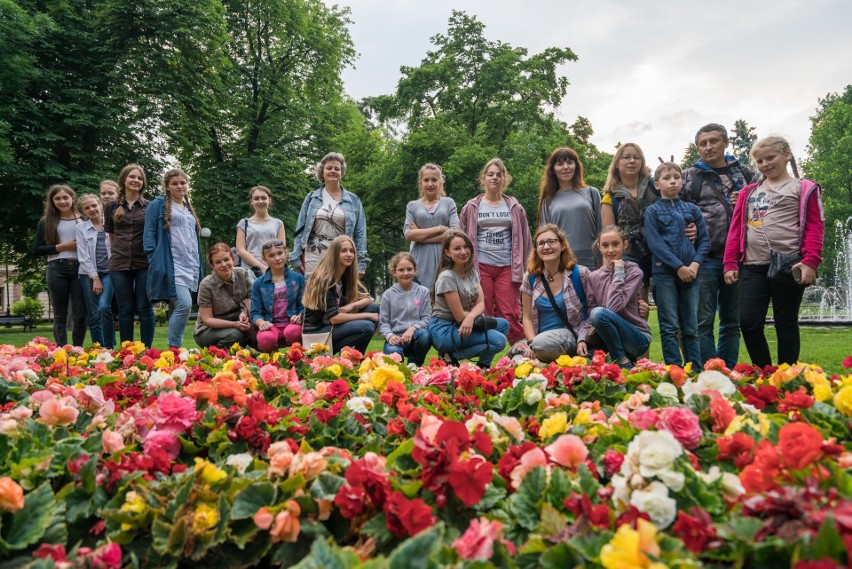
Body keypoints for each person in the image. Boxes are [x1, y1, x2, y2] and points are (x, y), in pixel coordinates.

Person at [724, 136, 824, 367]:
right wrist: (730, 262)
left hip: (790, 265)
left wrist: (810, 261)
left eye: (770, 157)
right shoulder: (749, 192)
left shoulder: (804, 188)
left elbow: (814, 226)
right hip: (753, 266)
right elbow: (736, 229)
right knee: (748, 321)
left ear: (786, 154)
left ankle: (786, 374)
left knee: (785, 323)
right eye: (759, 161)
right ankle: (765, 371)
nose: (765, 164)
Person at [682, 123, 756, 368]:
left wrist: (744, 202)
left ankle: (727, 371)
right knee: (702, 322)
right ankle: (710, 372)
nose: (708, 147)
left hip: (737, 258)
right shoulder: (689, 176)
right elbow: (674, 209)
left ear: (725, 143)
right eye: (703, 143)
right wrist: (687, 225)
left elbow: (763, 210)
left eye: (713, 141)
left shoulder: (744, 174)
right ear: (697, 148)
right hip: (704, 258)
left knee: (731, 322)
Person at [459, 158, 531, 343]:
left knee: (510, 312)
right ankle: (486, 357)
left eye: (499, 175)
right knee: (484, 311)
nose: (495, 178)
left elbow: (526, 239)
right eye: (490, 174)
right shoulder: (472, 207)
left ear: (505, 179)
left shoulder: (515, 207)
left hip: (507, 267)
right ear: (483, 178)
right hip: (479, 267)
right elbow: (460, 237)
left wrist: (529, 266)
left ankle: (519, 353)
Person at [645, 162, 709, 368]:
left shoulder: (692, 209)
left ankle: (695, 369)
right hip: (664, 275)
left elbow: (704, 241)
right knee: (669, 326)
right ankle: (675, 370)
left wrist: (695, 265)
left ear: (682, 181)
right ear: (657, 185)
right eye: (666, 178)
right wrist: (678, 267)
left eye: (676, 177)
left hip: (691, 274)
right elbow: (655, 243)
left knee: (691, 326)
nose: (672, 181)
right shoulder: (653, 211)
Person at [429, 230, 509, 368]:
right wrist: (471, 317)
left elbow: (481, 303)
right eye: (457, 248)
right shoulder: (447, 277)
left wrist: (471, 317)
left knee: (503, 325)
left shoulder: (471, 272)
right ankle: (449, 356)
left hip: (463, 323)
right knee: (498, 341)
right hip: (444, 329)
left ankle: (483, 367)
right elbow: (459, 316)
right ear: (447, 252)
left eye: (466, 246)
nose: (463, 251)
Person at [143, 168, 204, 349]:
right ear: (167, 187)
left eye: (183, 182)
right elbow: (150, 232)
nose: (180, 186)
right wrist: (153, 257)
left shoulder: (187, 207)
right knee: (184, 304)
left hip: (189, 263)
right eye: (175, 183)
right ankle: (174, 346)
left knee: (184, 305)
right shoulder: (158, 205)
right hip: (171, 264)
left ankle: (174, 349)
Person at [512, 224, 591, 363]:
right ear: (536, 249)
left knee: (542, 344)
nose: (546, 247)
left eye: (551, 241)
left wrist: (583, 338)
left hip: (571, 336)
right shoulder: (530, 278)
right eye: (541, 243)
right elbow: (527, 319)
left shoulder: (579, 274)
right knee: (517, 363)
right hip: (537, 340)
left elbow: (593, 309)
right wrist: (531, 343)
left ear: (562, 246)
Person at [582, 225, 652, 368]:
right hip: (609, 339)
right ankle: (623, 362)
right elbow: (591, 313)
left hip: (637, 337)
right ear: (599, 248)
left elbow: (613, 308)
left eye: (615, 244)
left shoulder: (634, 272)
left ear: (624, 245)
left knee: (599, 313)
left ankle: (622, 361)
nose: (610, 250)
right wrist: (581, 338)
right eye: (605, 245)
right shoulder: (594, 277)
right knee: (586, 361)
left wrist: (619, 271)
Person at [291, 152, 367, 278]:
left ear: (341, 173)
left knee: (339, 293)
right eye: (329, 168)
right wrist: (295, 257)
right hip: (314, 255)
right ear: (322, 172)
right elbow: (300, 230)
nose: (333, 171)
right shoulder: (311, 198)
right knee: (313, 294)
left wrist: (361, 263)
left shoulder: (354, 200)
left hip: (341, 256)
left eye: (337, 168)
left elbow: (360, 233)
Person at [105, 164, 155, 347]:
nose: (136, 180)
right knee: (125, 309)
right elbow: (111, 235)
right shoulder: (111, 206)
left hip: (144, 262)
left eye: (139, 178)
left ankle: (147, 350)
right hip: (119, 263)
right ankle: (127, 351)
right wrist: (119, 253)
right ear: (124, 180)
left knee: (144, 307)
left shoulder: (150, 206)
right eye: (132, 177)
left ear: (143, 183)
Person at [302, 235, 378, 354]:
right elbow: (334, 318)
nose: (349, 254)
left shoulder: (345, 275)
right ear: (334, 253)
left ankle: (354, 358)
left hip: (331, 327)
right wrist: (368, 316)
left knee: (375, 308)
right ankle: (354, 357)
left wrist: (351, 306)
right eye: (344, 251)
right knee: (366, 326)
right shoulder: (325, 278)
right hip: (317, 333)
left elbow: (368, 298)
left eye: (351, 251)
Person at [601, 143, 657, 301]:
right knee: (637, 303)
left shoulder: (655, 187)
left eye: (636, 157)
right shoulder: (609, 197)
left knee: (669, 303)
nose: (632, 161)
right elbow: (609, 236)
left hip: (659, 250)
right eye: (626, 157)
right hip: (629, 255)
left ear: (642, 162)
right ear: (617, 164)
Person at [33, 184, 86, 346]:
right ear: (52, 201)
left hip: (80, 268)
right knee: (59, 315)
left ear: (73, 198)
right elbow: (37, 249)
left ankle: (77, 351)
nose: (62, 201)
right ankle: (61, 350)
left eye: (65, 197)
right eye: (57, 198)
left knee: (80, 314)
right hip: (57, 268)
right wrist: (63, 246)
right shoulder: (46, 221)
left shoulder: (83, 219)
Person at [537, 147, 602, 269]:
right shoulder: (547, 200)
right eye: (560, 164)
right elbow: (544, 236)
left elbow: (601, 230)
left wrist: (601, 260)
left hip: (591, 259)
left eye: (570, 162)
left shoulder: (592, 193)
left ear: (576, 166)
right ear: (553, 170)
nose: (565, 167)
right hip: (561, 260)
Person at [404, 163, 459, 291]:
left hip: (444, 261)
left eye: (434, 180)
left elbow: (455, 232)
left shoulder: (449, 203)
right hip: (419, 261)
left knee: (443, 299)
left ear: (441, 182)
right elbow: (408, 234)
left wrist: (420, 235)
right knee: (419, 301)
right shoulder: (412, 206)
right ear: (420, 183)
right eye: (426, 180)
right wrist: (440, 228)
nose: (430, 184)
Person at [195, 243, 255, 349]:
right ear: (212, 266)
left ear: (233, 259)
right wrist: (235, 324)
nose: (223, 264)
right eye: (218, 262)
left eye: (226, 259)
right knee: (235, 335)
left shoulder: (243, 274)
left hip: (240, 323)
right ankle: (219, 358)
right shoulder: (206, 284)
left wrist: (244, 313)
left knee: (261, 330)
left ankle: (249, 356)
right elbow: (207, 319)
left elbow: (252, 299)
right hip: (208, 330)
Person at [250, 240, 306, 353]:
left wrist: (300, 315)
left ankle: (296, 357)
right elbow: (255, 313)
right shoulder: (258, 284)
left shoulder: (298, 279)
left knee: (294, 332)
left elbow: (304, 306)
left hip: (292, 323)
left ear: (285, 253)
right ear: (265, 259)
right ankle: (271, 362)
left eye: (280, 253)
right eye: (271, 255)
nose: (277, 258)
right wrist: (261, 323)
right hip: (270, 325)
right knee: (265, 339)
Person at [379, 252, 432, 366]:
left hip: (416, 336)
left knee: (425, 336)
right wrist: (390, 336)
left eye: (409, 269)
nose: (406, 273)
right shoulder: (388, 295)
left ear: (415, 270)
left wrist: (412, 329)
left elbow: (427, 318)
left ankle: (415, 364)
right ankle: (399, 371)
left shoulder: (423, 292)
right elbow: (383, 323)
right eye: (401, 270)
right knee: (393, 354)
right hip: (396, 339)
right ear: (394, 272)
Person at [76, 194, 115, 349]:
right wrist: (95, 278)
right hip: (88, 275)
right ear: (83, 213)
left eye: (94, 205)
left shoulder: (111, 224)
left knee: (104, 307)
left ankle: (110, 347)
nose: (92, 209)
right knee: (93, 314)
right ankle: (98, 349)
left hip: (110, 272)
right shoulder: (81, 228)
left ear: (100, 205)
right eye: (87, 208)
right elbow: (83, 256)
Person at [235, 186, 286, 278]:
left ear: (269, 200)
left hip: (272, 270)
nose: (260, 201)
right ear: (252, 201)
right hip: (248, 272)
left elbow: (281, 249)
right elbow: (240, 250)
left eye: (263, 198)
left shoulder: (278, 223)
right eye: (256, 198)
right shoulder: (243, 223)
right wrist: (261, 267)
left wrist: (270, 268)